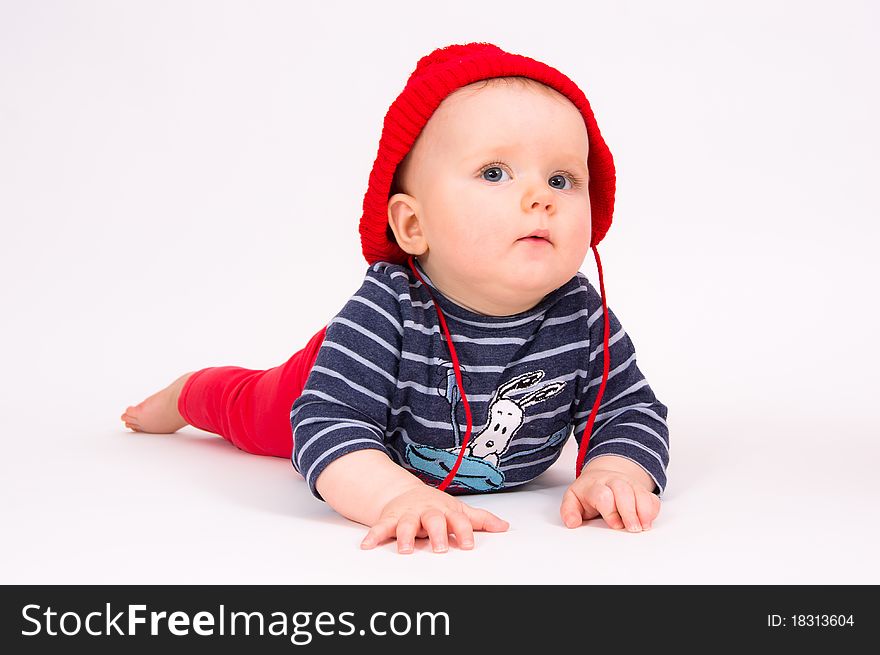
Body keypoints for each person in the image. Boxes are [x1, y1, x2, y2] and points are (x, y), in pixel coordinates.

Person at [121, 42, 670, 554]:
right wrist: (394, 495)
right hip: (334, 378)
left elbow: (629, 409)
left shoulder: (582, 314)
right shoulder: (387, 308)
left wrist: (615, 471)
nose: (538, 199)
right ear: (412, 224)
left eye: (562, 180)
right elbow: (328, 424)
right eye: (494, 172)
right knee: (250, 407)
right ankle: (188, 392)